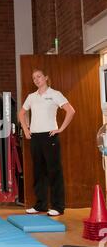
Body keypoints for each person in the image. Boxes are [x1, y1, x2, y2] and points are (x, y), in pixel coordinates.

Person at [18, 69, 75, 217]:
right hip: (35, 138)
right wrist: (26, 130)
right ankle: (40, 205)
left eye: (39, 77)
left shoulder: (55, 94)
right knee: (38, 172)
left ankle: (58, 206)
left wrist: (60, 129)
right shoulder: (31, 97)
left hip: (50, 137)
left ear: (46, 78)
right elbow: (21, 113)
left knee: (54, 172)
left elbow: (71, 111)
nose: (36, 80)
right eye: (34, 78)